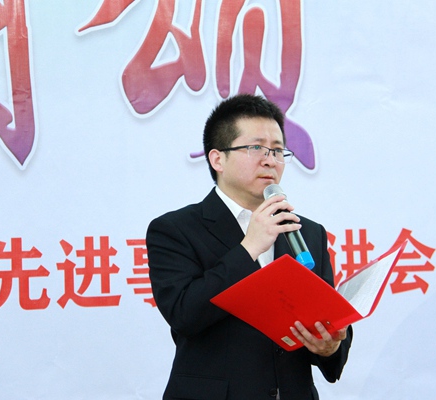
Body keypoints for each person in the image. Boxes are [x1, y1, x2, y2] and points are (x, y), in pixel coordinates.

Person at [146, 93, 353, 400]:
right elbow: (184, 314)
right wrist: (249, 248)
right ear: (218, 159)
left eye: (278, 150)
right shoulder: (175, 229)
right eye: (256, 148)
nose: (270, 160)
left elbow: (325, 318)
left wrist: (331, 347)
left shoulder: (306, 232)